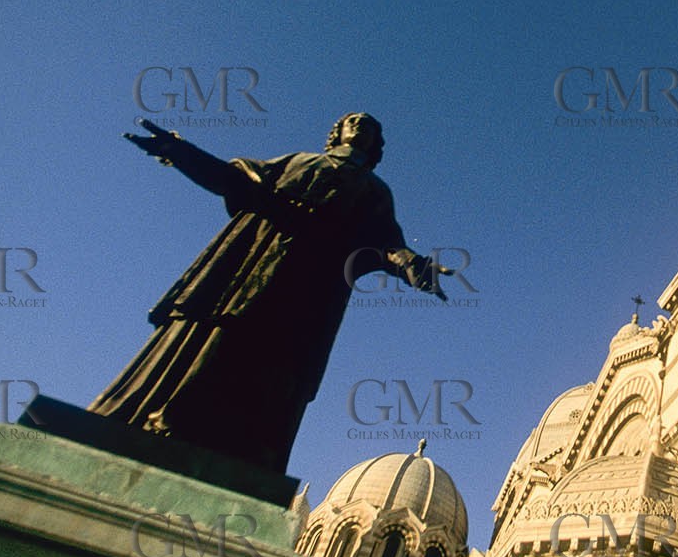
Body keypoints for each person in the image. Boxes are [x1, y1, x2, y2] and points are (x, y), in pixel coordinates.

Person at [89, 112, 448, 472]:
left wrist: (415, 266)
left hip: (310, 289)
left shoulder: (375, 192)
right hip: (252, 266)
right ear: (336, 131)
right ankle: (166, 417)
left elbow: (386, 244)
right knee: (218, 334)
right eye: (352, 120)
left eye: (369, 126)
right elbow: (233, 178)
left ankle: (239, 448)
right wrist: (180, 152)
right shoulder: (299, 162)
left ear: (376, 143)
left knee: (277, 365)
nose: (360, 125)